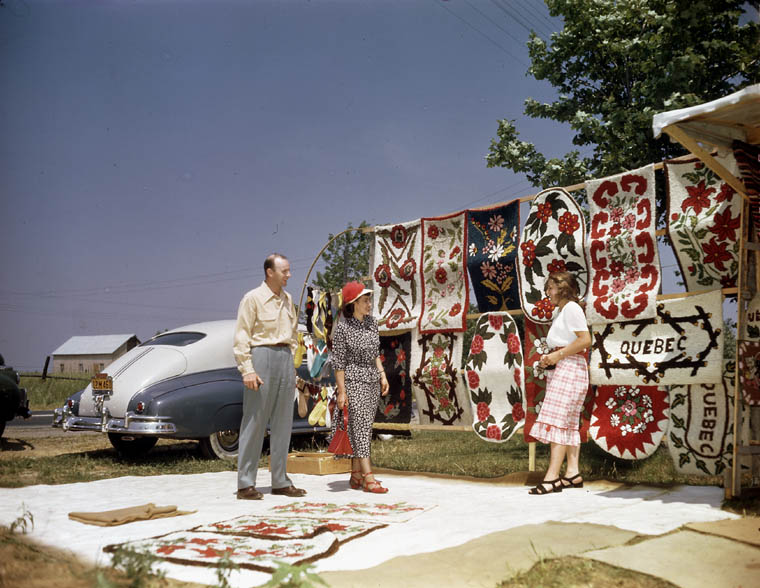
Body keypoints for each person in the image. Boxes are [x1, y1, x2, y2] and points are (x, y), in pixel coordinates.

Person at [232, 253, 307, 500]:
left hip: (285, 358)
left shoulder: (288, 300)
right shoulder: (252, 299)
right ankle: (245, 484)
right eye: (284, 271)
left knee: (284, 423)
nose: (289, 275)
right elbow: (242, 337)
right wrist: (248, 370)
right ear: (269, 272)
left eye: (288, 270)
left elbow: (294, 334)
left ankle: (280, 481)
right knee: (254, 422)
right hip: (261, 358)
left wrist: (292, 365)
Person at [528, 270, 592, 495]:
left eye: (551, 288)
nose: (547, 292)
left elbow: (586, 340)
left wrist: (558, 355)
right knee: (567, 420)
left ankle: (552, 477)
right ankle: (572, 473)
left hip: (570, 367)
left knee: (557, 419)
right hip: (566, 366)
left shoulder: (572, 309)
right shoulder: (562, 311)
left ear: (563, 288)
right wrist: (552, 357)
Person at [330, 281, 390, 493]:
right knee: (361, 430)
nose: (369, 304)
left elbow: (375, 354)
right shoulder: (343, 328)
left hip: (372, 380)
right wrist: (342, 391)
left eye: (369, 300)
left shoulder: (372, 323)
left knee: (364, 427)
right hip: (353, 382)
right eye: (365, 300)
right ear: (354, 303)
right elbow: (339, 364)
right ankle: (368, 477)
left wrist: (382, 375)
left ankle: (356, 475)